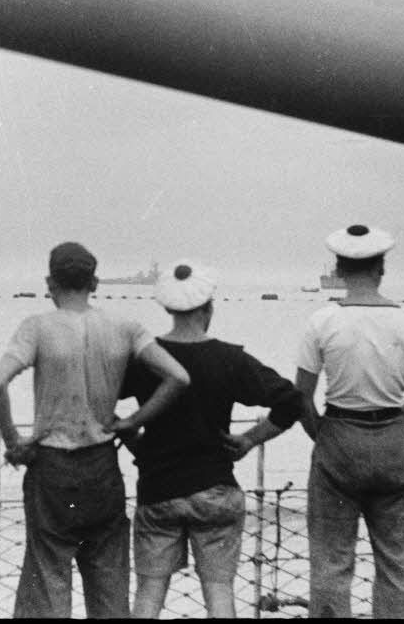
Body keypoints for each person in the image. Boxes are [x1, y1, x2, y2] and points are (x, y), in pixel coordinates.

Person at [0, 241, 190, 618]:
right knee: (109, 583)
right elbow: (178, 377)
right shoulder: (125, 327)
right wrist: (131, 421)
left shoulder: (37, 328)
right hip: (101, 467)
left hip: (52, 467)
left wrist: (15, 441)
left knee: (48, 577)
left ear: (50, 282)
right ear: (94, 282)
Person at [119, 260, 304, 618]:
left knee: (148, 594)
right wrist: (250, 439)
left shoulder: (146, 359)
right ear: (209, 307)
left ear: (167, 307)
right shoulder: (230, 359)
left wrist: (132, 437)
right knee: (219, 592)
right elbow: (290, 400)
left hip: (159, 489)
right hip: (215, 488)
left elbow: (98, 398)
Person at [296, 224, 404, 618]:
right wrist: (391, 429)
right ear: (382, 269)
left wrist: (323, 434)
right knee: (396, 560)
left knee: (331, 562)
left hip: (339, 432)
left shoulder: (321, 321)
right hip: (392, 437)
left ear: (338, 269)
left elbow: (301, 396)